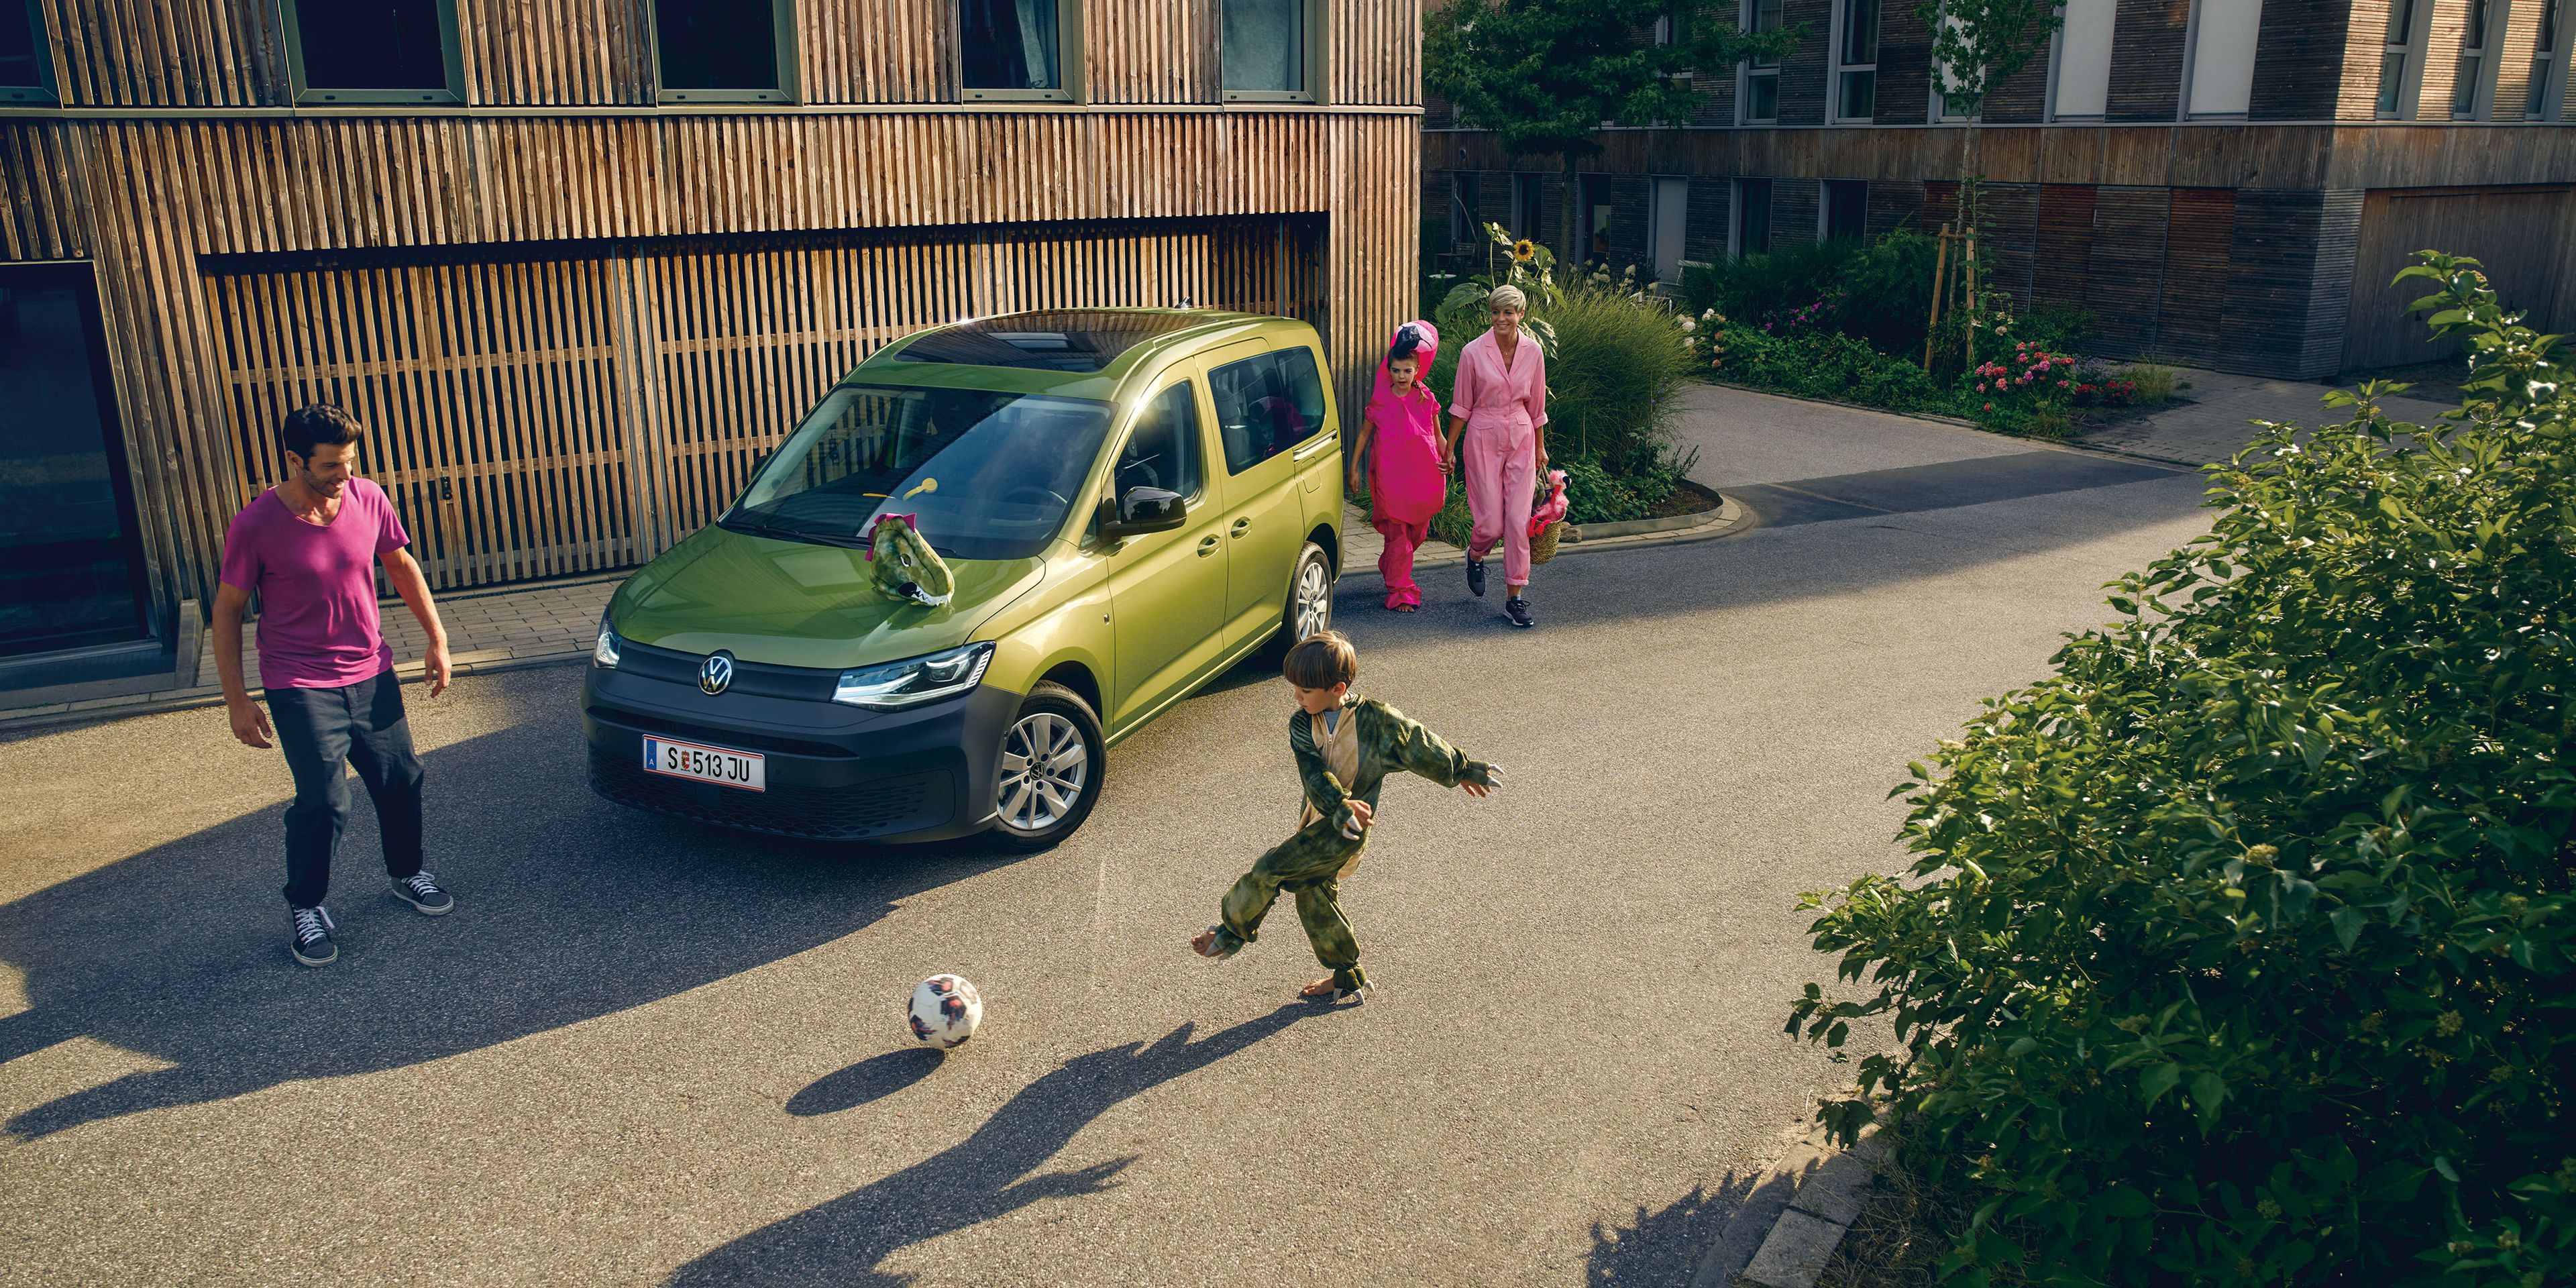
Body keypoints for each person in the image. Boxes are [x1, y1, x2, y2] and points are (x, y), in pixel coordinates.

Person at [213, 404, 455, 969]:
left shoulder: (368, 497)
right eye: (329, 466)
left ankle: (406, 872)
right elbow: (227, 612)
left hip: (370, 670)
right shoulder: (255, 524)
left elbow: (400, 566)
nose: (343, 476)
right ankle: (307, 905)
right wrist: (237, 699)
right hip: (298, 680)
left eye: (348, 462)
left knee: (401, 779)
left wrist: (437, 638)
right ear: (294, 460)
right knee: (324, 800)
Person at [1188, 631, 1501, 1002]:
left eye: (1305, 691)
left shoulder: (1379, 722)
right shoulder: (1302, 723)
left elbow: (1421, 743)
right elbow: (1312, 771)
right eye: (1295, 689)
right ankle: (1348, 974)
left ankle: (1229, 933)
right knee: (1313, 895)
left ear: (1338, 688)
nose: (1297, 697)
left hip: (1349, 830)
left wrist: (1462, 768)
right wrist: (1336, 804)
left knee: (1269, 869)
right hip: (1317, 819)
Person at [1445, 284, 1550, 629]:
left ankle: (1514, 599)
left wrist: (1540, 446)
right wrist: (1450, 447)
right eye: (1495, 312)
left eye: (1508, 312)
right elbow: (1461, 405)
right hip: (1482, 435)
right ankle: (1476, 556)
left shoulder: (1534, 352)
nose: (1501, 318)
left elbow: (1537, 407)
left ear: (1521, 315)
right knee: (1490, 522)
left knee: (1518, 523)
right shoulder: (1472, 353)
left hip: (1521, 434)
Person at [1346, 321, 1447, 612]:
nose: (1401, 376)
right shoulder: (1381, 399)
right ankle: (1400, 590)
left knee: (1418, 532)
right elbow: (1365, 434)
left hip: (1423, 474)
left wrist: (1448, 456)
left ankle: (1391, 562)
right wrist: (1353, 469)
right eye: (1396, 370)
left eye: (1407, 370)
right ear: (1388, 370)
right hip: (1391, 477)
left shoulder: (1426, 397)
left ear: (1417, 370)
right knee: (1399, 533)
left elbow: (1437, 434)